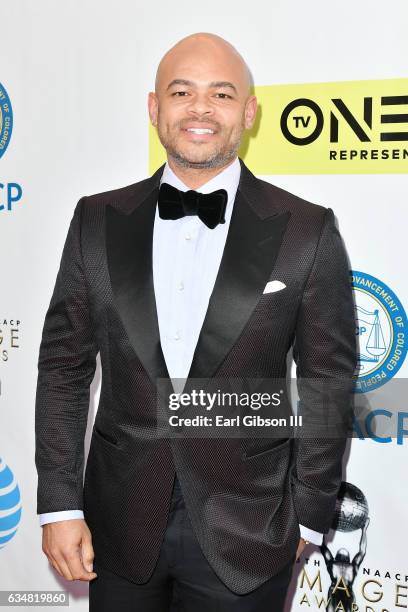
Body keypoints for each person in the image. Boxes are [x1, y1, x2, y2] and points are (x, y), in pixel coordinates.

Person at [35, 32, 357, 611]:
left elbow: (327, 380)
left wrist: (309, 515)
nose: (201, 109)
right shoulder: (96, 219)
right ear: (155, 108)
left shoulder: (306, 230)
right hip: (118, 522)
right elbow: (63, 367)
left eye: (222, 94)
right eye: (182, 91)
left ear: (249, 113)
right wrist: (60, 505)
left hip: (251, 529)